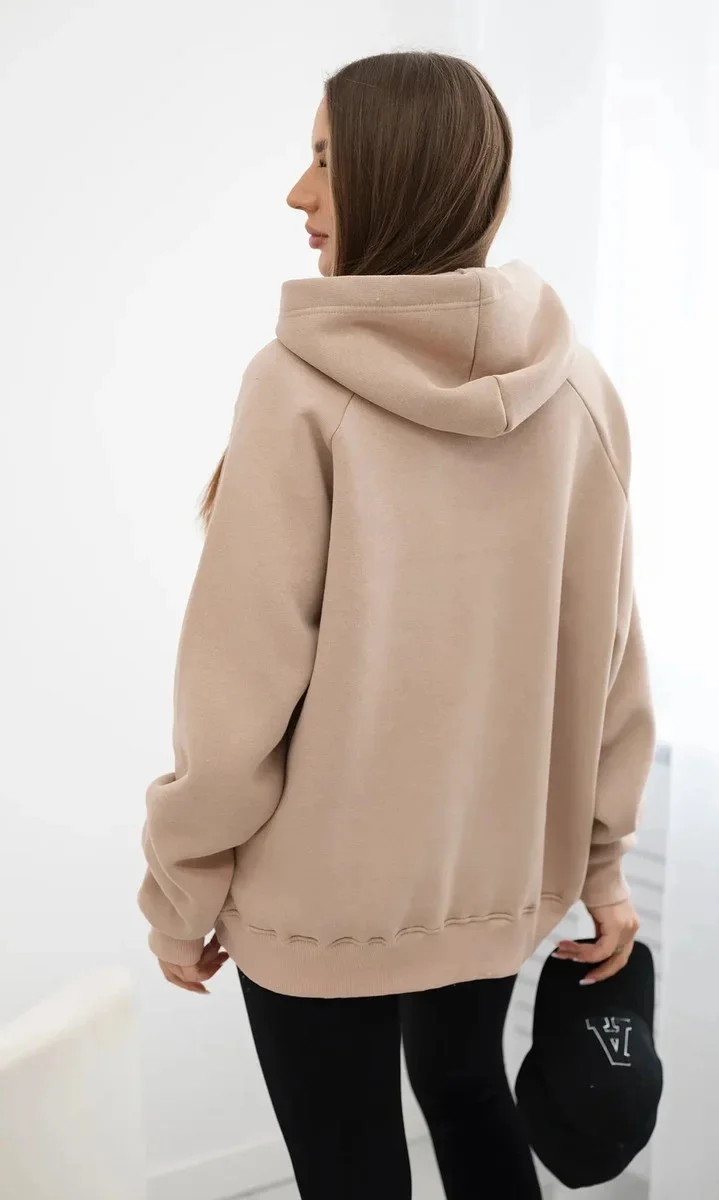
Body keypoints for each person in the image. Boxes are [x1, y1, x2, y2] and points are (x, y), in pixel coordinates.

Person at [138, 51, 655, 1200]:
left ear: (397, 174)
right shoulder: (578, 390)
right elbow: (611, 664)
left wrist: (180, 894)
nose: (299, 193)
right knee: (468, 1098)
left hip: (319, 904)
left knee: (349, 1170)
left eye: (326, 159)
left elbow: (236, 700)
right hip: (490, 876)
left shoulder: (296, 388)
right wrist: (602, 868)